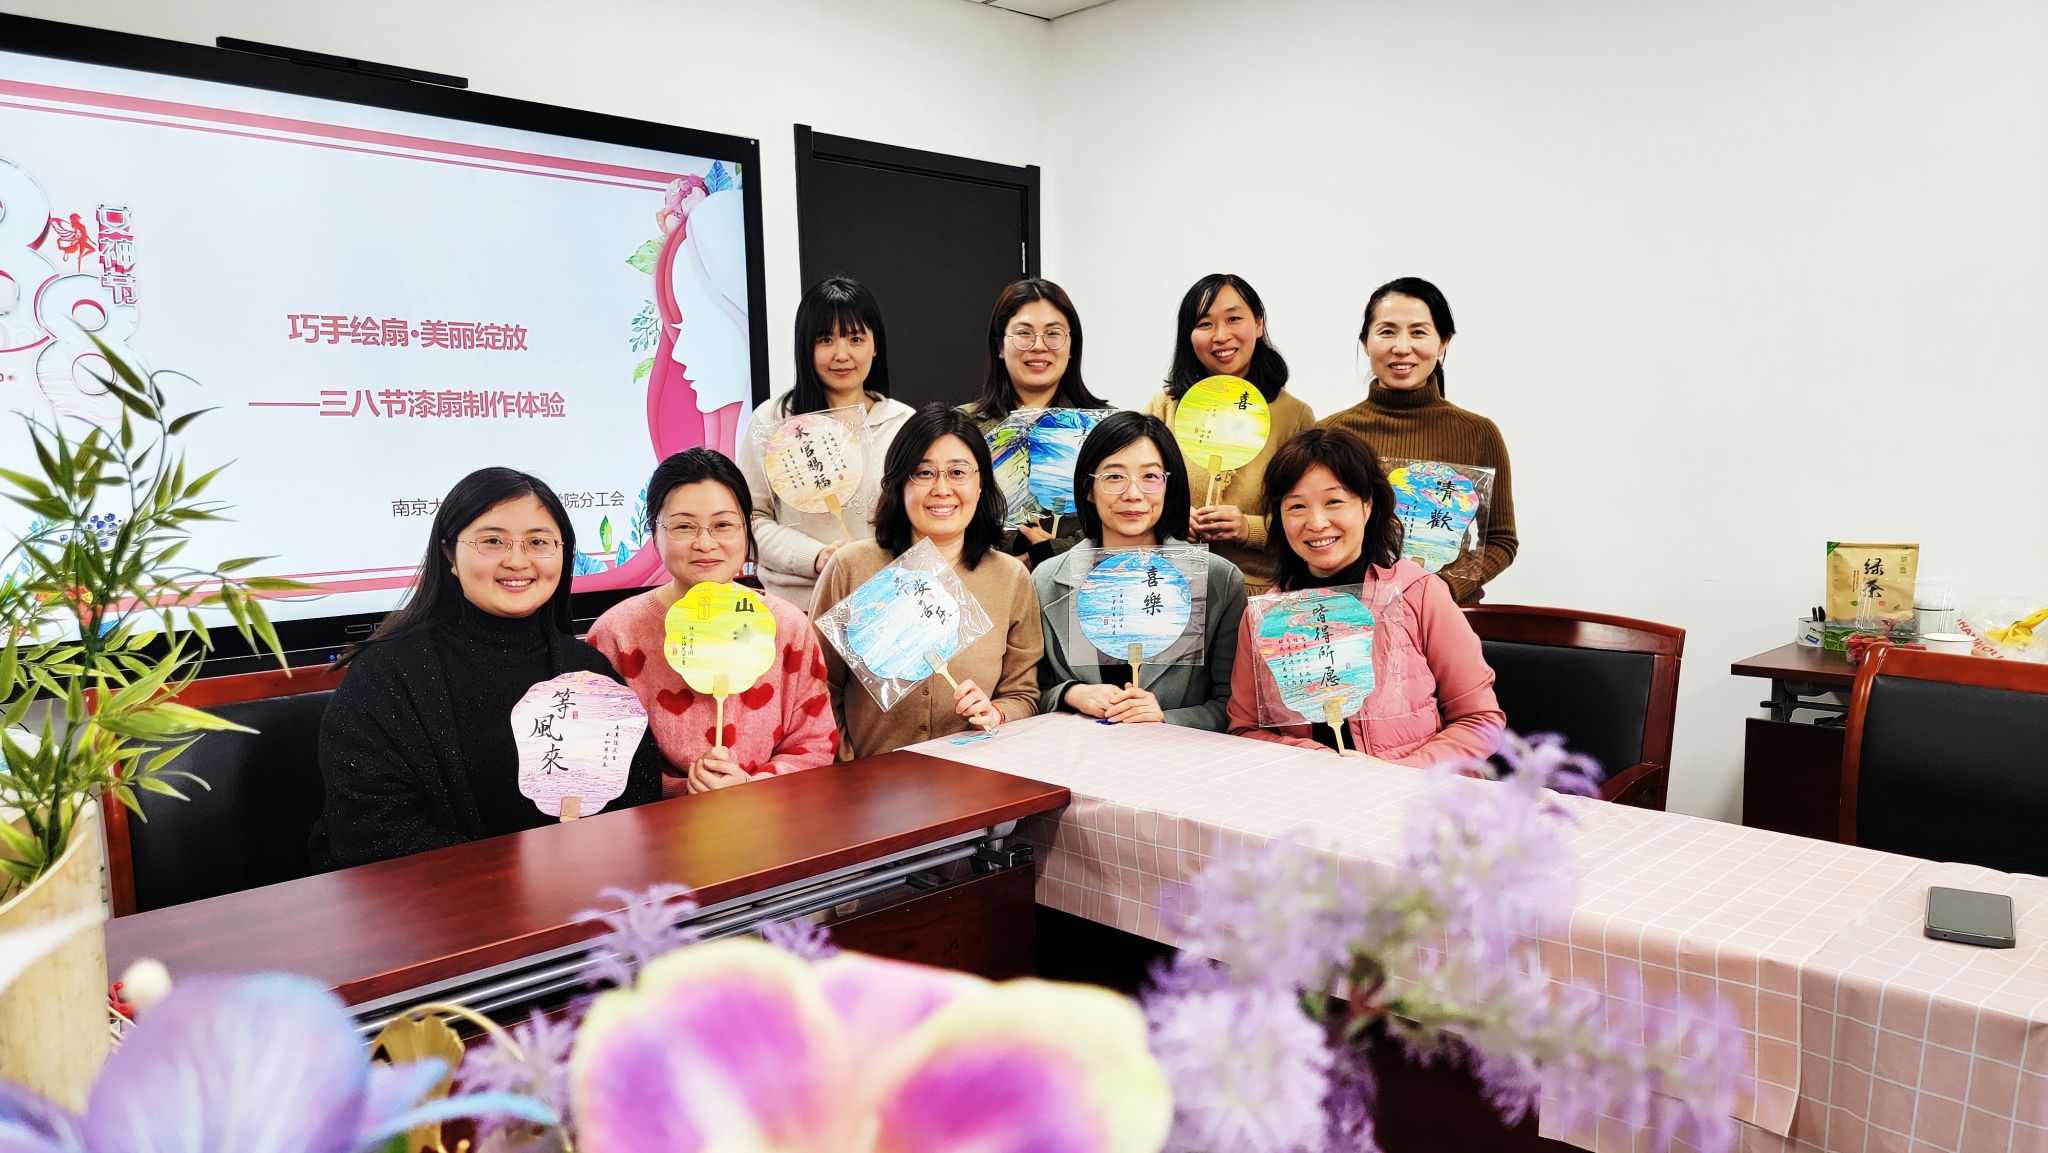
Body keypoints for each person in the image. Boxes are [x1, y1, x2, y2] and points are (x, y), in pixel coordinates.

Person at [312, 468, 665, 869]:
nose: (517, 561)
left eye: (538, 542)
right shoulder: (385, 674)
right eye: (493, 541)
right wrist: (515, 876)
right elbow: (371, 829)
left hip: (577, 890)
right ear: (450, 555)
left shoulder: (587, 669)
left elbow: (637, 793)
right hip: (445, 897)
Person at [1226, 428, 1504, 765]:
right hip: (1310, 790)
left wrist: (1396, 774)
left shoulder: (1417, 592)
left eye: (1334, 501)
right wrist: (1315, 757)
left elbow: (1480, 721)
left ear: (1367, 505)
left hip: (1415, 792)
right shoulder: (1264, 616)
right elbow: (1244, 729)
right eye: (1296, 506)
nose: (1317, 522)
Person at [587, 449, 838, 797]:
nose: (705, 543)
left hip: (772, 818)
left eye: (722, 525)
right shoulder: (615, 634)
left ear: (747, 529)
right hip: (657, 824)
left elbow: (815, 745)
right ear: (653, 533)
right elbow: (600, 760)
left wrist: (748, 787)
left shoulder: (787, 626)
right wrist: (681, 790)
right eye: (683, 526)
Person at [813, 404, 1043, 756]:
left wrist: (996, 712)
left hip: (975, 776)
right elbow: (819, 687)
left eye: (958, 472)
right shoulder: (851, 567)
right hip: (868, 780)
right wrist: (847, 767)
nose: (942, 488)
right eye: (924, 473)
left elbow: (1023, 694)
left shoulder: (1010, 578)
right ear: (898, 483)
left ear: (981, 483)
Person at [1034, 411, 1245, 730]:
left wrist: (1166, 719)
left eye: (1150, 477)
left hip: (1178, 756)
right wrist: (1071, 693)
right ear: (1089, 488)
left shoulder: (1219, 580)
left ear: (1169, 486)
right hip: (1079, 754)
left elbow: (1233, 706)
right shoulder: (1046, 581)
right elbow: (1027, 692)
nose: (1133, 494)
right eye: (1114, 477)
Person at [1317, 277, 1517, 603]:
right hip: (1354, 612)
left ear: (1444, 342)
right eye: (1387, 331)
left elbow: (1501, 540)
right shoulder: (1330, 434)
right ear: (1365, 342)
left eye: (1418, 332)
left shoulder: (1478, 433)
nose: (1401, 346)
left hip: (1449, 614)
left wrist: (1442, 590)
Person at [738, 276, 915, 611]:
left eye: (855, 338)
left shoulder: (904, 423)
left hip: (882, 609)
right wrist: (817, 557)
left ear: (875, 345)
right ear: (806, 347)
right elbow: (750, 520)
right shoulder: (772, 420)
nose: (841, 354)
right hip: (795, 609)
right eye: (825, 340)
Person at [1143, 273, 1316, 596]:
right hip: (1171, 587)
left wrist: (1249, 528)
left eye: (1234, 319)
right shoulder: (1163, 408)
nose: (1221, 336)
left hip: (1258, 592)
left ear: (1259, 324)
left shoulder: (1294, 416)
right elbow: (1137, 491)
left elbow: (1313, 514)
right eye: (1204, 324)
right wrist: (1169, 518)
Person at [961, 278, 1112, 568]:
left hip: (1079, 580)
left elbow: (1124, 516)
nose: (1039, 346)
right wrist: (999, 567)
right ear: (1000, 346)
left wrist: (1052, 552)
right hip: (983, 579)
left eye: (1053, 333)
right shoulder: (962, 427)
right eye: (1024, 333)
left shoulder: (1108, 427)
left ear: (1072, 345)